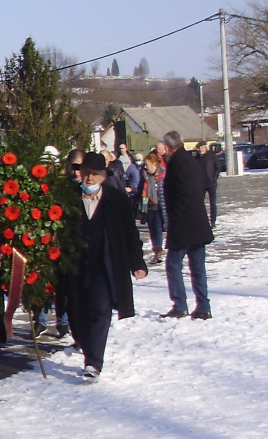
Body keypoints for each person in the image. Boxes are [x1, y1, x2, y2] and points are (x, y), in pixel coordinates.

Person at [64, 153, 148, 379]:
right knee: (78, 312)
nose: (89, 179)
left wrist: (137, 263)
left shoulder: (116, 200)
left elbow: (131, 234)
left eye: (94, 174)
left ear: (103, 176)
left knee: (100, 309)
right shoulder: (68, 199)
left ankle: (93, 362)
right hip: (76, 266)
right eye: (86, 173)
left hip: (105, 265)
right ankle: (84, 344)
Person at [160, 131, 214, 320]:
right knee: (197, 265)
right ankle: (203, 305)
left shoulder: (177, 164)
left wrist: (174, 217)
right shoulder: (191, 160)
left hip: (184, 224)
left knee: (173, 264)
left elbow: (181, 194)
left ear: (167, 147)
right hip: (198, 221)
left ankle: (180, 304)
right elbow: (200, 187)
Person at [141, 153, 167, 264]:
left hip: (160, 207)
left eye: (147, 165)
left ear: (154, 164)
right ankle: (156, 251)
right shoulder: (146, 176)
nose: (145, 167)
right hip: (149, 207)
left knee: (158, 230)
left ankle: (159, 252)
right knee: (153, 231)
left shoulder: (163, 175)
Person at [198, 141, 220, 228]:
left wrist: (214, 178)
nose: (200, 150)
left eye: (200, 148)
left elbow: (218, 167)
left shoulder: (211, 155)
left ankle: (213, 221)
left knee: (213, 203)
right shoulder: (198, 157)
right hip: (201, 184)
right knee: (200, 203)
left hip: (211, 183)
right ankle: (202, 221)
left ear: (204, 147)